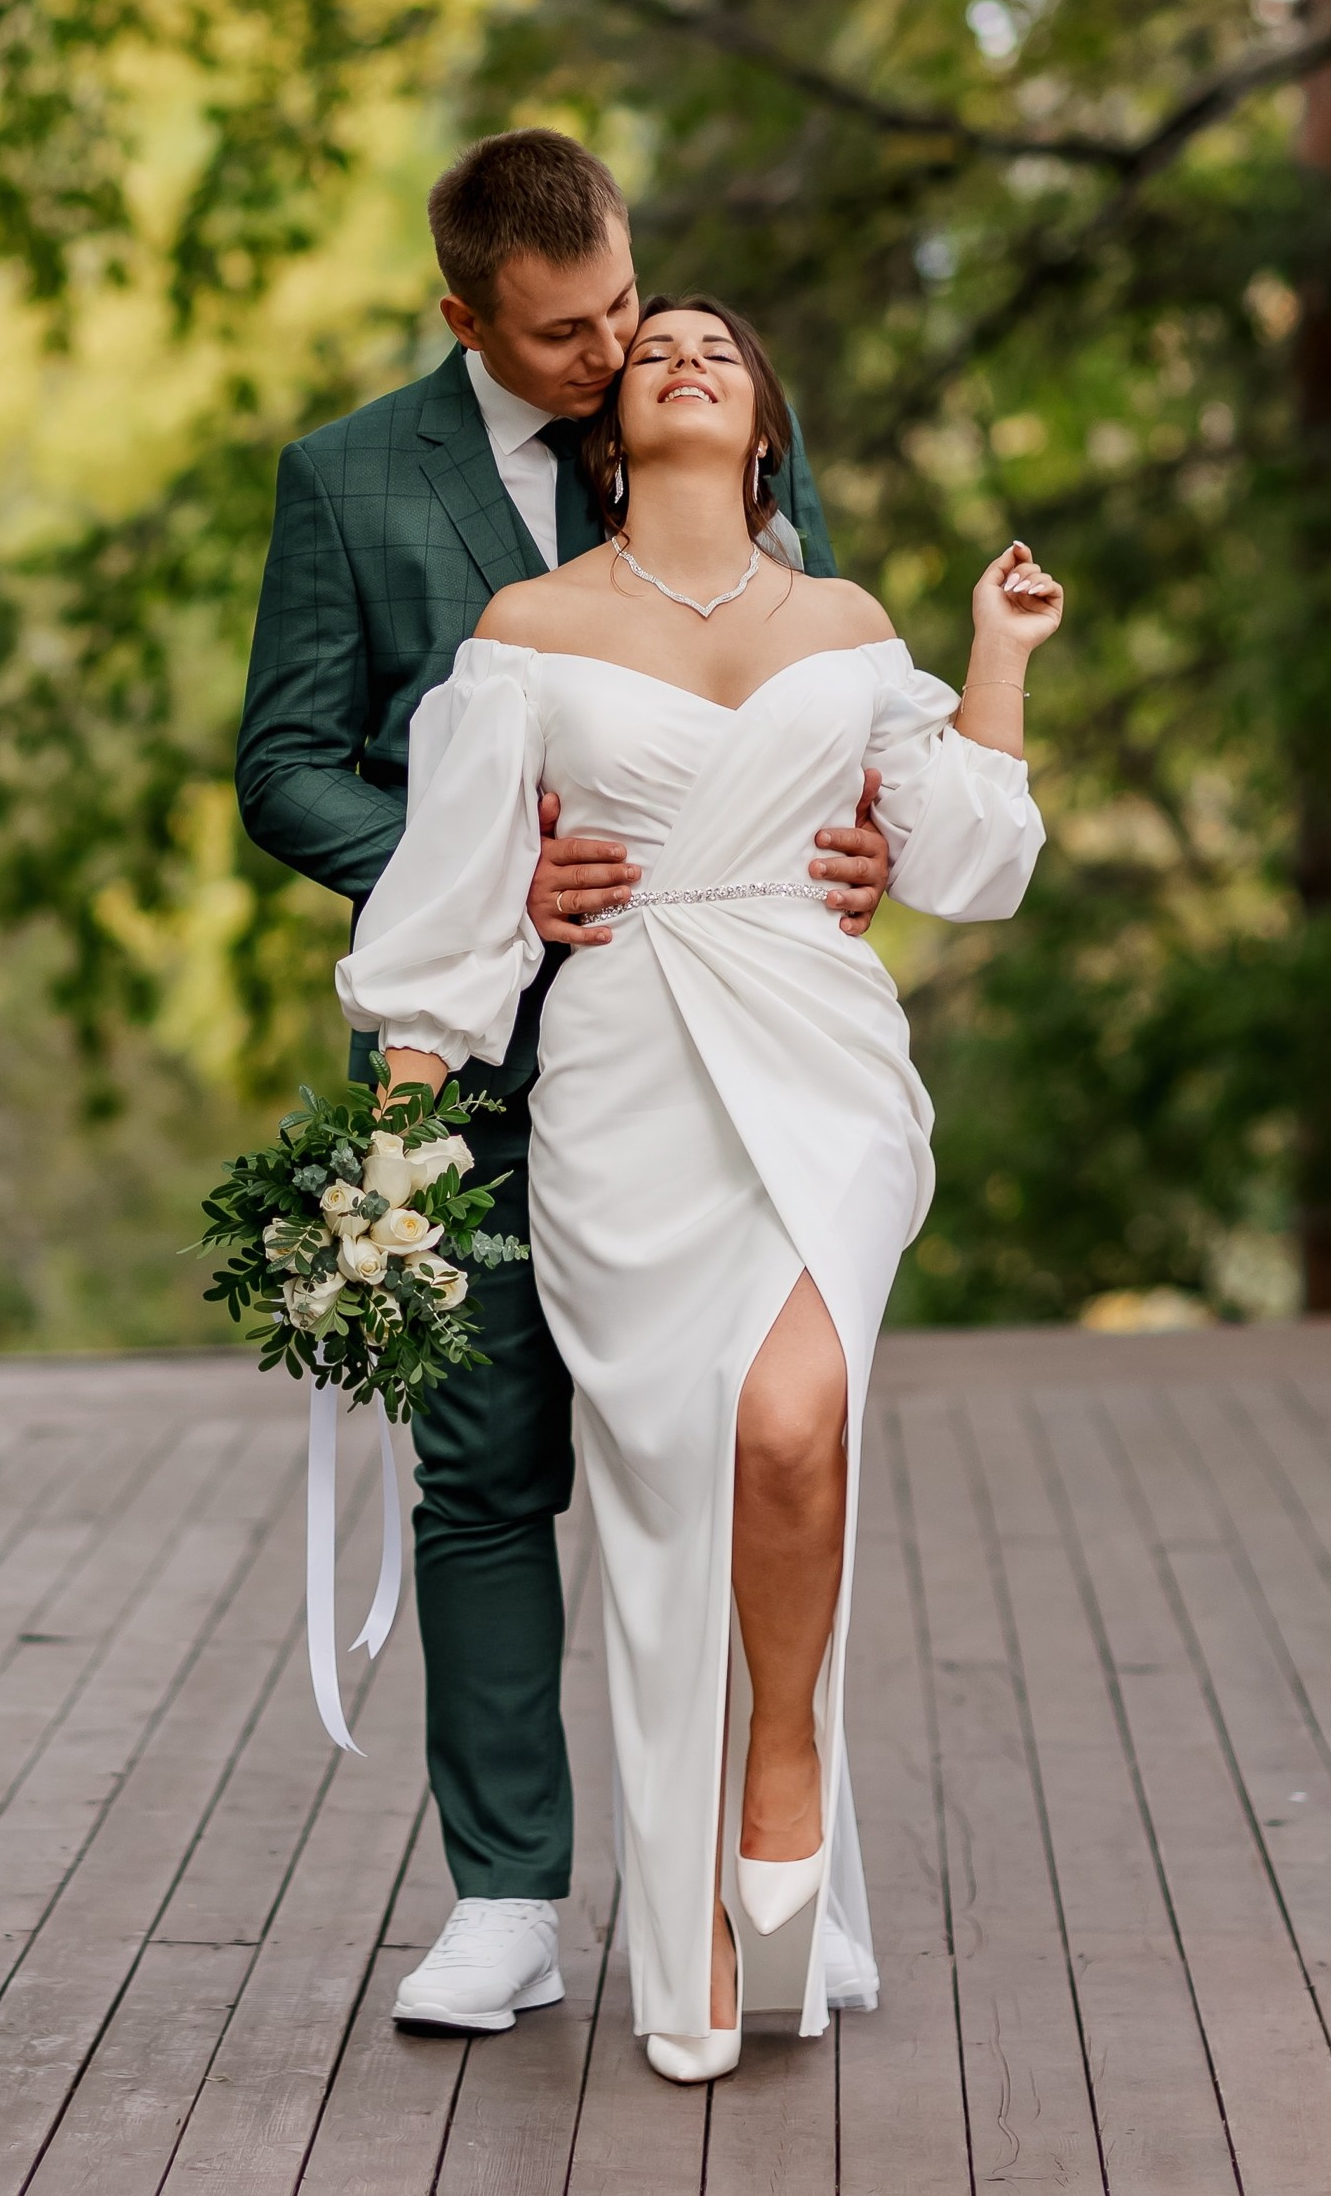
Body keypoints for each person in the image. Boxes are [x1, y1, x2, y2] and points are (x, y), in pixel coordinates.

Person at [339, 292, 1059, 2078]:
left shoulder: (845, 622)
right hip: (622, 1083)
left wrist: (998, 654)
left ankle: (788, 1746)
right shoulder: (526, 630)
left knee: (795, 1422)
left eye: (719, 352)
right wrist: (397, 1173)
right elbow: (439, 920)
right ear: (610, 429)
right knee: (671, 1503)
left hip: (823, 1062)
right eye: (654, 345)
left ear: (761, 431)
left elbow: (968, 860)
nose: (681, 356)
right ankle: (692, 1936)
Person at [236, 132, 894, 2039]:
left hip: (720, 1052)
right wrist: (470, 879)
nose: (612, 352)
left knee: (767, 1451)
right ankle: (509, 1898)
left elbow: (831, 687)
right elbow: (287, 764)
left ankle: (792, 1874)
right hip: (471, 1054)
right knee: (486, 1474)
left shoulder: (708, 418)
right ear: (463, 319)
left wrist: (861, 843)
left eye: (624, 302)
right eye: (560, 334)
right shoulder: (350, 482)